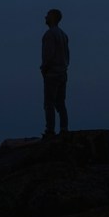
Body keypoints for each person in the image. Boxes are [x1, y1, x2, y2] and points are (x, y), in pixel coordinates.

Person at [40, 7, 70, 137]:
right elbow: (68, 55)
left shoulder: (50, 34)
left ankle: (50, 130)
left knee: (49, 103)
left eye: (47, 15)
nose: (45, 17)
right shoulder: (63, 34)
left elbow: (48, 55)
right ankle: (64, 129)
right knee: (61, 103)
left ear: (52, 17)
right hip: (63, 72)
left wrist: (44, 68)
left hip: (52, 73)